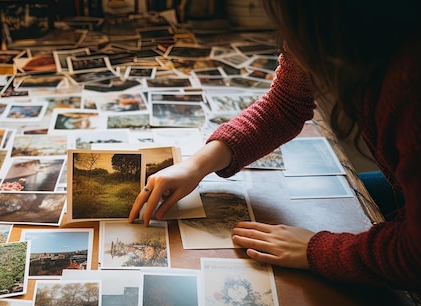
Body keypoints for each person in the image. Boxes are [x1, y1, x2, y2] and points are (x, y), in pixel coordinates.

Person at [129, 0, 421, 290]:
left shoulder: (408, 82)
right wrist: (196, 165)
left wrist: (315, 249)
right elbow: (285, 105)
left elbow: (414, 257)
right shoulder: (322, 26)